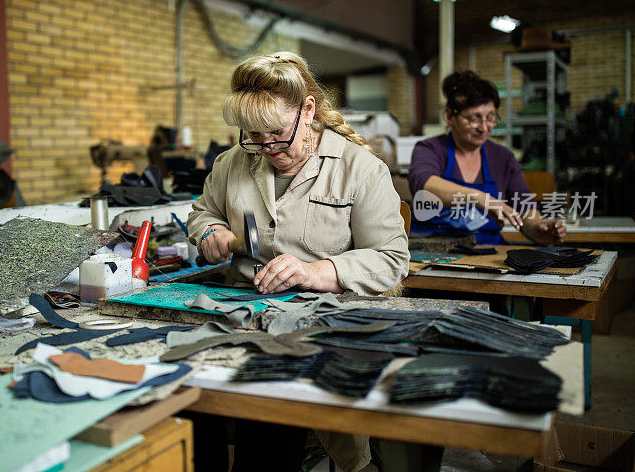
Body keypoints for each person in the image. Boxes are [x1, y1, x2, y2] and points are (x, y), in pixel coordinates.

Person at [184, 51, 409, 472]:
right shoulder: (233, 162)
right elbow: (202, 211)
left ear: (308, 110)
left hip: (316, 328)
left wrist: (316, 272)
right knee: (187, 404)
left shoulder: (360, 169)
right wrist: (209, 232)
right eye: (254, 135)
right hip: (240, 317)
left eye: (277, 134)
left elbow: (392, 259)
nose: (267, 148)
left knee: (268, 422)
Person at [408, 70, 566, 245]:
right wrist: (479, 198)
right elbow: (424, 185)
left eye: (490, 118)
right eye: (474, 118)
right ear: (450, 116)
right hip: (433, 249)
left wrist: (537, 229)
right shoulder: (430, 149)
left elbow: (525, 207)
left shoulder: (503, 157)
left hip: (486, 250)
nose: (484, 128)